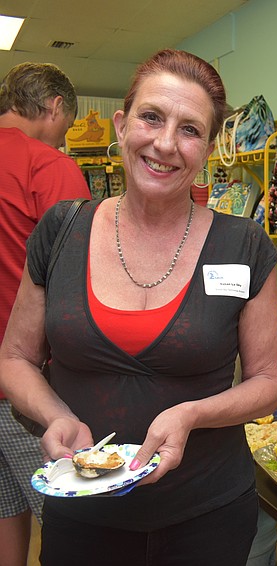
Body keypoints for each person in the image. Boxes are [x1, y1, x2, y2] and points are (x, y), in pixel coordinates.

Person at [0, 49, 277, 566]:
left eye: (190, 129)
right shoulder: (62, 232)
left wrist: (193, 414)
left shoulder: (244, 245)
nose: (165, 143)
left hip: (208, 516)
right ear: (121, 122)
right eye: (151, 117)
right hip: (84, 517)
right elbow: (15, 357)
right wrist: (55, 414)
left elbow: (268, 383)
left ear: (208, 147)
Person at [0, 61, 90, 566]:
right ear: (55, 108)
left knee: (4, 512)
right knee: (71, 526)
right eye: (69, 124)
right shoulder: (50, 167)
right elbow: (81, 280)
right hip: (28, 386)